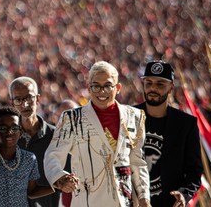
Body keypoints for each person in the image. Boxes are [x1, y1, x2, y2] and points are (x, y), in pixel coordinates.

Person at [44, 61, 151, 207]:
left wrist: (144, 196)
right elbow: (53, 155)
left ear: (118, 88)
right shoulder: (72, 119)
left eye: (107, 86)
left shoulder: (135, 117)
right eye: (96, 86)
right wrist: (59, 177)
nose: (101, 91)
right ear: (88, 88)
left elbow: (138, 162)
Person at [133, 61, 202, 207]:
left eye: (160, 84)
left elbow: (194, 172)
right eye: (148, 83)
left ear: (171, 88)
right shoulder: (127, 117)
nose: (153, 88)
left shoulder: (186, 124)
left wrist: (184, 194)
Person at [0, 107, 51, 207]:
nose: (9, 132)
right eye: (3, 128)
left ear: (20, 132)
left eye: (14, 128)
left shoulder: (29, 158)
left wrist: (56, 187)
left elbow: (31, 191)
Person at [8, 76, 57, 206]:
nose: (24, 104)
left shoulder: (56, 136)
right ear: (12, 103)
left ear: (38, 99)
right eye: (18, 99)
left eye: (29, 97)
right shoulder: (4, 139)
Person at [51, 99, 80, 207]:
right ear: (54, 118)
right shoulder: (47, 142)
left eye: (74, 115)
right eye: (65, 116)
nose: (70, 121)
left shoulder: (91, 140)